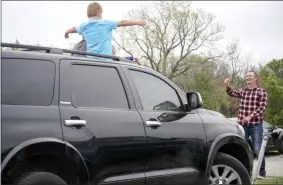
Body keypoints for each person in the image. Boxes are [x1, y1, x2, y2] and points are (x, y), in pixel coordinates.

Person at [224, 71, 268, 179]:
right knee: (240, 148)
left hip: (255, 125)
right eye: (247, 76)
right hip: (243, 125)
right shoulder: (243, 91)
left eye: (250, 76)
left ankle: (261, 173)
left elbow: (262, 107)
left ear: (255, 79)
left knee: (258, 149)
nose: (248, 77)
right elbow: (231, 93)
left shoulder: (261, 92)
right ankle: (242, 171)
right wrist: (227, 86)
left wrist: (250, 116)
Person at [64, 2, 146, 59]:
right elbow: (122, 22)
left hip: (91, 60)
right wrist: (137, 22)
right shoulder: (105, 24)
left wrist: (67, 32)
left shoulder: (84, 26)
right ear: (99, 13)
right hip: (106, 60)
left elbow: (74, 28)